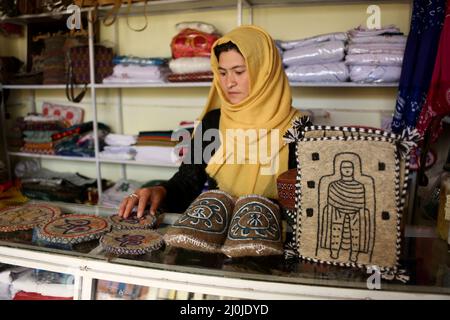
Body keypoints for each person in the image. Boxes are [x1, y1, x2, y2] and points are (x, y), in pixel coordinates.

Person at [118, 25, 301, 219]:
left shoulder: (298, 128)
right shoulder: (214, 122)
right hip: (220, 234)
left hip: (276, 240)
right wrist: (159, 190)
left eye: (239, 71)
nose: (229, 83)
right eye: (222, 73)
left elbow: (305, 203)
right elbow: (187, 183)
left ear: (265, 72)